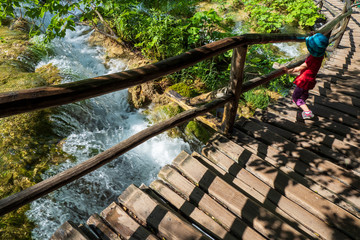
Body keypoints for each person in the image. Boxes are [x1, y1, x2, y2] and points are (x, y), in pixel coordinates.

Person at [286, 33, 329, 119]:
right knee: (304, 93)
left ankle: (307, 112)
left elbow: (300, 68)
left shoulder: (311, 58)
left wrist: (288, 71)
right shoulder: (321, 55)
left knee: (295, 97)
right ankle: (303, 102)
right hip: (310, 79)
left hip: (303, 80)